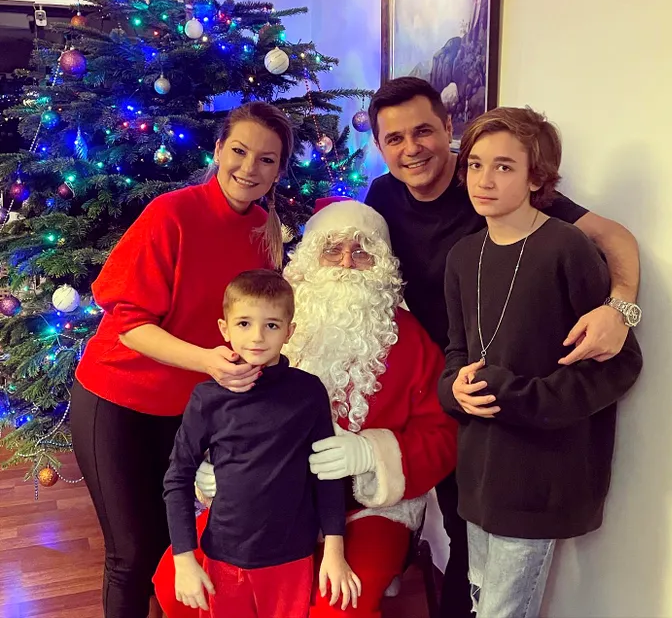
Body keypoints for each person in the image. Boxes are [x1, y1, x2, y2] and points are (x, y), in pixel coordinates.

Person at [364, 77, 642, 617]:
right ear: (380, 145)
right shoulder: (390, 202)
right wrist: (447, 386)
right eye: (394, 138)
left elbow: (613, 239)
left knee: (503, 591)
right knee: (468, 547)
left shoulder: (550, 235)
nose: (411, 148)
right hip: (457, 401)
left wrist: (620, 308)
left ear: (449, 128)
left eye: (423, 131)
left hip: (529, 438)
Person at [155, 198, 458, 618]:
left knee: (337, 607)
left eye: (362, 251)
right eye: (333, 249)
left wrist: (372, 453)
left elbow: (444, 435)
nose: (346, 263)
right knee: (177, 588)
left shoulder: (411, 340)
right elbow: (217, 417)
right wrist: (214, 466)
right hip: (261, 502)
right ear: (311, 257)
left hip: (365, 510)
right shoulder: (266, 327)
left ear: (382, 265)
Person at [70, 101, 293, 618]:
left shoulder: (265, 233)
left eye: (266, 159)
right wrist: (208, 362)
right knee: (130, 554)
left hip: (185, 410)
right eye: (238, 151)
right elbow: (128, 325)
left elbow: (255, 322)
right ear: (218, 150)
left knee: (168, 543)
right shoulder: (171, 214)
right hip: (117, 399)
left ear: (279, 171)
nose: (249, 168)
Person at [437, 106, 643, 617]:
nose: (484, 180)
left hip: (538, 472)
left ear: (537, 178)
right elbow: (457, 352)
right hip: (478, 471)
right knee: (482, 598)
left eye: (504, 166)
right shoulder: (462, 256)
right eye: (476, 164)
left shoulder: (567, 248)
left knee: (504, 610)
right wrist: (453, 390)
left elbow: (619, 360)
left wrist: (520, 397)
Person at [164, 270, 360, 618]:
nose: (257, 336)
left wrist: (334, 549)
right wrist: (184, 559)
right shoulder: (207, 399)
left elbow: (326, 473)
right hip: (224, 556)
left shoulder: (308, 392)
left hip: (291, 558)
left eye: (271, 325)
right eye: (244, 323)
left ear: (289, 331)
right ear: (224, 328)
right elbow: (178, 477)